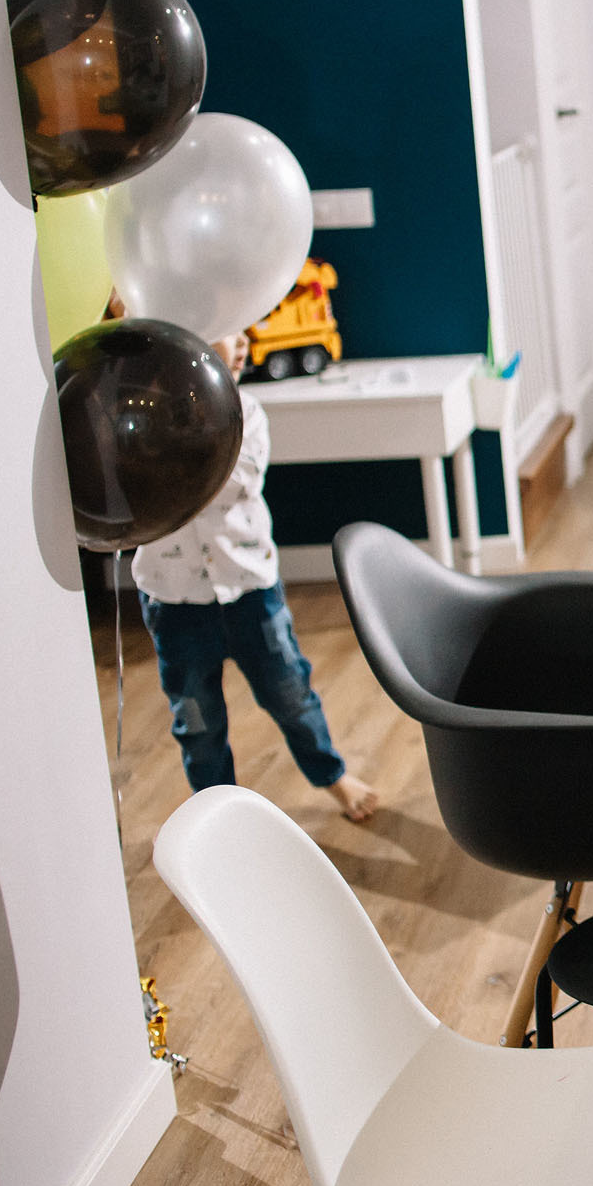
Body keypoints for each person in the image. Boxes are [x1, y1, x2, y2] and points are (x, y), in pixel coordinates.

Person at [135, 335, 379, 822]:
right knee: (196, 719)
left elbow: (235, 480)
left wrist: (181, 441)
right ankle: (220, 811)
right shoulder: (141, 421)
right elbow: (145, 487)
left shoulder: (247, 411)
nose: (244, 341)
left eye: (245, 327)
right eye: (229, 329)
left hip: (249, 591)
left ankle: (330, 775)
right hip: (174, 601)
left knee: (290, 694)